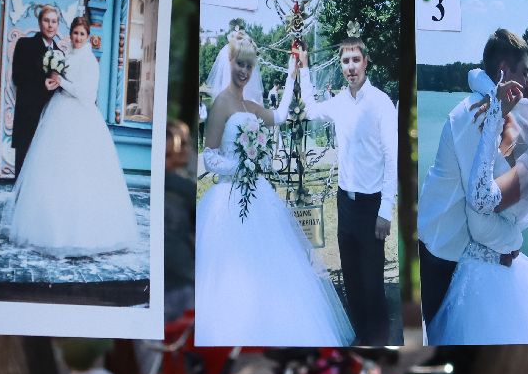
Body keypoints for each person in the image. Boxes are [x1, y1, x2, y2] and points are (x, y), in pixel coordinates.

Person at [420, 29, 528, 344]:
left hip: (464, 250)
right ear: (504, 71)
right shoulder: (483, 114)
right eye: (526, 73)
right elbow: (479, 207)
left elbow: (482, 206)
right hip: (444, 244)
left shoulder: (499, 118)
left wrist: (510, 245)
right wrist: (512, 244)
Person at [194, 30, 354, 346]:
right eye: (240, 64)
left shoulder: (249, 104)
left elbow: (279, 116)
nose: (244, 71)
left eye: (249, 66)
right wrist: (242, 165)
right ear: (230, 62)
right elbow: (210, 156)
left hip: (258, 196)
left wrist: (294, 75)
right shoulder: (222, 104)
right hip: (228, 199)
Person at [281, 37, 400, 344]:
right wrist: (303, 69)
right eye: (345, 61)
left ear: (366, 61)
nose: (350, 67)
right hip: (344, 204)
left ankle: (381, 344)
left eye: (355, 60)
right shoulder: (339, 102)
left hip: (372, 206)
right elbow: (310, 109)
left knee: (372, 284)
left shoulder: (381, 103)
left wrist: (385, 212)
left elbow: (392, 158)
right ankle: (361, 340)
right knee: (351, 280)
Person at [4, 15, 139, 257]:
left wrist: (61, 83)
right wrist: (54, 82)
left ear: (88, 37)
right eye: (75, 34)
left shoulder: (90, 61)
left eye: (82, 34)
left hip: (80, 118)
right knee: (54, 169)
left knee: (79, 171)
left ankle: (82, 232)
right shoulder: (66, 56)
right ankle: (49, 227)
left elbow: (87, 95)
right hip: (59, 113)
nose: (77, 38)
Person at [10, 3, 63, 173]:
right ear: (40, 23)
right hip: (28, 115)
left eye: (54, 22)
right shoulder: (25, 44)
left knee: (43, 168)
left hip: (49, 117)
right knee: (23, 166)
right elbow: (17, 77)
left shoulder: (60, 52)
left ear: (58, 25)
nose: (50, 25)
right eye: (46, 20)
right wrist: (42, 83)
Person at [163, 118, 197, 320]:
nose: (168, 162)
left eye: (170, 155)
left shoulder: (185, 188)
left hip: (183, 280)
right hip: (156, 287)